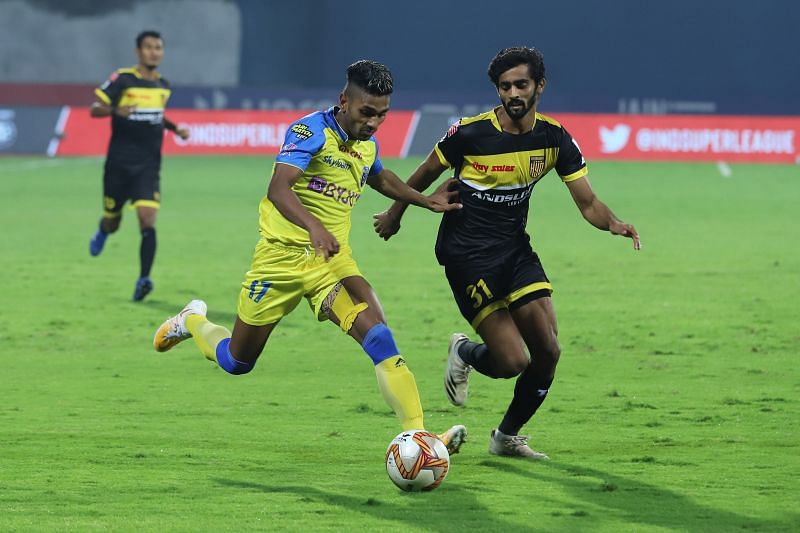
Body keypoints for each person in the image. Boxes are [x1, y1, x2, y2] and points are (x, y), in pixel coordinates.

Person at [153, 60, 467, 452]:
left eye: (381, 115)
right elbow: (279, 189)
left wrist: (424, 200)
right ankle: (193, 321)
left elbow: (380, 177)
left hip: (331, 263)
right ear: (344, 100)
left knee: (379, 337)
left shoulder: (367, 145)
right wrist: (314, 227)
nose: (372, 123)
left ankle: (419, 435)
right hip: (280, 258)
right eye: (366, 112)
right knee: (237, 361)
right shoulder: (310, 131)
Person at [374, 47, 640, 459]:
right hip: (466, 255)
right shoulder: (470, 134)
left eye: (521, 84)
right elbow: (426, 171)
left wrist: (614, 223)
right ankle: (464, 351)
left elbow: (588, 202)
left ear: (539, 86)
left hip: (515, 250)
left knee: (549, 351)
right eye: (505, 86)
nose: (513, 93)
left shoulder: (553, 139)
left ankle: (506, 438)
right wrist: (396, 213)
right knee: (513, 361)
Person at [88, 30, 190, 301]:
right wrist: (115, 110)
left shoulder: (163, 85)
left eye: (158, 47)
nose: (154, 52)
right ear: (138, 52)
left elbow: (157, 116)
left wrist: (175, 128)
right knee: (113, 221)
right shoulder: (122, 79)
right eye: (149, 47)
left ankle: (144, 279)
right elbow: (94, 108)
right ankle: (103, 230)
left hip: (148, 167)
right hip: (119, 166)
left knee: (147, 219)